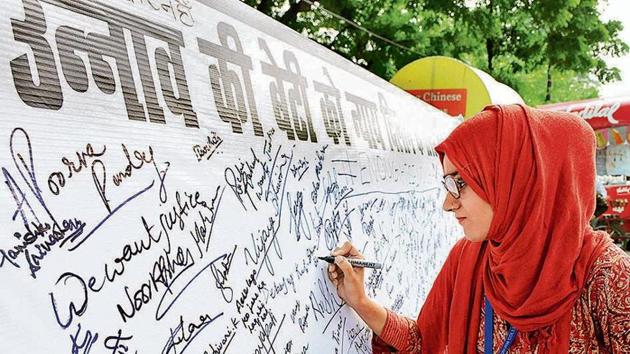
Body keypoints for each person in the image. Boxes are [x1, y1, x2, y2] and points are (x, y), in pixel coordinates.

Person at [327, 105, 630, 353]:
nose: (447, 203)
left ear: (516, 180)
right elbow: (425, 342)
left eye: (460, 182)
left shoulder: (608, 278)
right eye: (447, 183)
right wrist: (361, 301)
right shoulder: (469, 260)